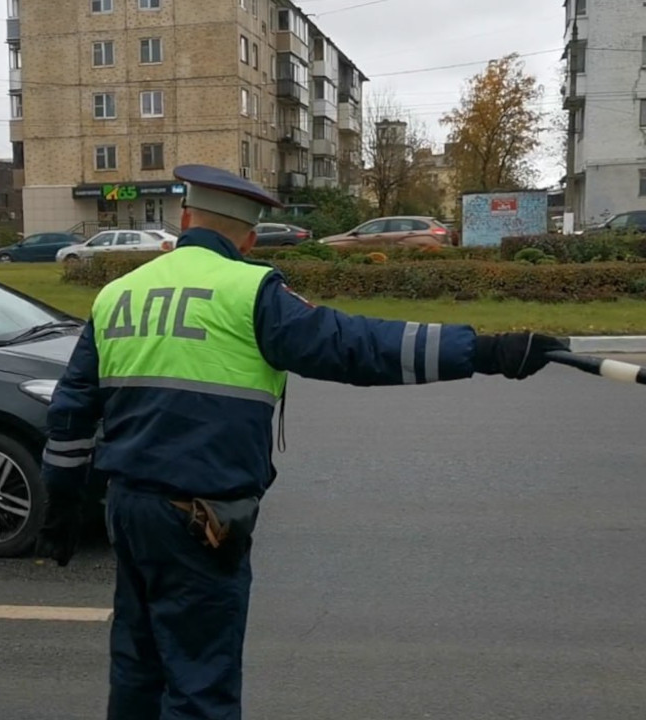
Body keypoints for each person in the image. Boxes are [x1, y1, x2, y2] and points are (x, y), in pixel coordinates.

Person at [34, 164, 568, 720]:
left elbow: (70, 415)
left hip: (129, 510)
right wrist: (485, 353)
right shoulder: (250, 292)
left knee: (137, 670)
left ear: (184, 219)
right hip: (200, 519)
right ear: (247, 236)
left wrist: (63, 507)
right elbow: (356, 346)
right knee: (200, 685)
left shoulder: (118, 294)